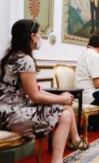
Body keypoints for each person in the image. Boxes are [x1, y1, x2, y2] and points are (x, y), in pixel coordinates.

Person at [0, 20, 87, 163]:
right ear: (33, 36)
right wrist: (61, 99)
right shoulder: (25, 59)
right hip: (11, 115)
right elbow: (34, 96)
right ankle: (62, 155)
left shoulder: (11, 56)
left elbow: (34, 90)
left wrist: (61, 98)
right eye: (40, 34)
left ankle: (75, 140)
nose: (41, 37)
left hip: (6, 111)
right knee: (65, 113)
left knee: (65, 105)